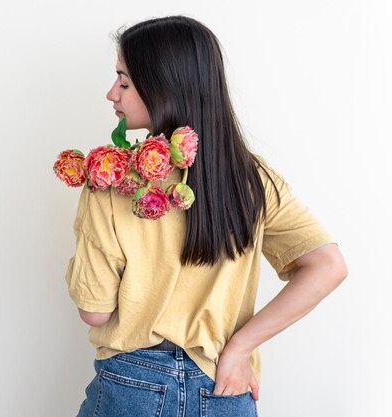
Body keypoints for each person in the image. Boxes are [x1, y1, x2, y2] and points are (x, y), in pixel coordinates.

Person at [63, 15, 348, 417]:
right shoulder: (254, 179)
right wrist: (241, 347)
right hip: (224, 383)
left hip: (133, 384)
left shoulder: (110, 180)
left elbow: (94, 310)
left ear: (164, 87)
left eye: (124, 81)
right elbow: (328, 265)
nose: (112, 93)